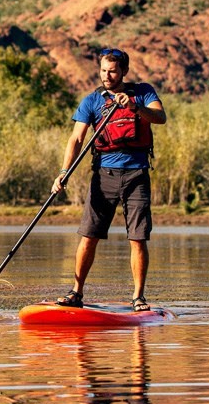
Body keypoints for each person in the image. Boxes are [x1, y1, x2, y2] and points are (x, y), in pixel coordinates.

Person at [50, 47, 166, 311]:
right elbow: (76, 139)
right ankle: (76, 292)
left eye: (112, 71)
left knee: (138, 238)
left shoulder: (143, 92)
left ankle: (138, 297)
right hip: (104, 176)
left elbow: (160, 117)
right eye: (103, 70)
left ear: (123, 71)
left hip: (137, 175)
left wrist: (135, 107)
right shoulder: (92, 101)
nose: (107, 75)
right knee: (88, 235)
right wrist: (63, 172)